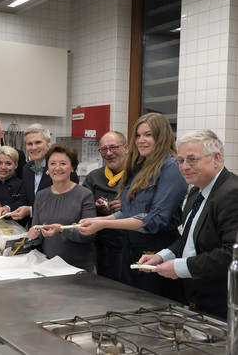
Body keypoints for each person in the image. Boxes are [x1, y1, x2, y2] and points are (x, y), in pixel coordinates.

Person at [77, 112, 188, 298]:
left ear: (162, 136)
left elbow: (153, 220)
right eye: (138, 135)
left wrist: (103, 223)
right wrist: (95, 220)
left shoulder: (172, 168)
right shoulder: (140, 167)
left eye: (148, 135)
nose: (141, 140)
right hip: (130, 251)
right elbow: (127, 212)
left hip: (157, 252)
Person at [138, 130, 238, 319]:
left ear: (216, 158)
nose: (184, 167)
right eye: (180, 160)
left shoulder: (232, 193)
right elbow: (189, 238)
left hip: (221, 301)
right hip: (193, 295)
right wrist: (162, 256)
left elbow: (231, 254)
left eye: (192, 160)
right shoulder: (195, 192)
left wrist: (181, 267)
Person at [27, 145, 96, 272]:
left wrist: (61, 229)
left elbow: (89, 235)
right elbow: (38, 236)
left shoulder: (85, 195)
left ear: (72, 168)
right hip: (48, 265)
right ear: (47, 167)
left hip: (77, 268)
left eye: (63, 163)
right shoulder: (41, 196)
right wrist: (33, 236)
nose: (57, 168)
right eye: (52, 163)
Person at [0, 123, 79, 222]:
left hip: (57, 229)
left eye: (38, 142)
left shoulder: (61, 170)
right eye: (29, 144)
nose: (34, 148)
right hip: (33, 230)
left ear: (48, 141)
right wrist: (8, 208)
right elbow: (25, 198)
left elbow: (66, 205)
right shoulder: (27, 168)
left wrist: (30, 211)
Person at [82, 131, 129, 280]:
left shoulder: (138, 176)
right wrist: (96, 207)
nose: (108, 153)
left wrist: (127, 206)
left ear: (126, 148)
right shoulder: (93, 177)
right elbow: (82, 207)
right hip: (101, 245)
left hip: (129, 244)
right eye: (104, 149)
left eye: (113, 147)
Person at [0, 146, 26, 216]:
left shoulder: (22, 185)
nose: (3, 167)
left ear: (16, 165)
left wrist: (6, 209)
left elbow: (23, 203)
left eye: (8, 163)